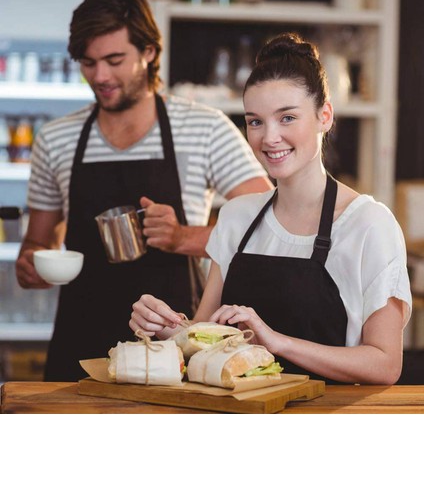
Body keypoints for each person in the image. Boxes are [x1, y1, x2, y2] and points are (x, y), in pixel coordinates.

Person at [16, 0, 272, 382]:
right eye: (88, 62)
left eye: (114, 60)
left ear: (150, 51)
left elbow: (265, 229)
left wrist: (183, 236)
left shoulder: (204, 128)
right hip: (79, 345)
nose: (99, 76)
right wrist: (32, 265)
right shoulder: (56, 139)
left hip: (176, 347)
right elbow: (37, 243)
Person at [129, 31, 413, 385]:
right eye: (255, 121)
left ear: (325, 116)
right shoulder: (237, 217)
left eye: (288, 118)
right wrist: (167, 328)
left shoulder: (369, 225)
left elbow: (385, 365)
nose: (269, 137)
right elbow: (201, 340)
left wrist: (278, 343)